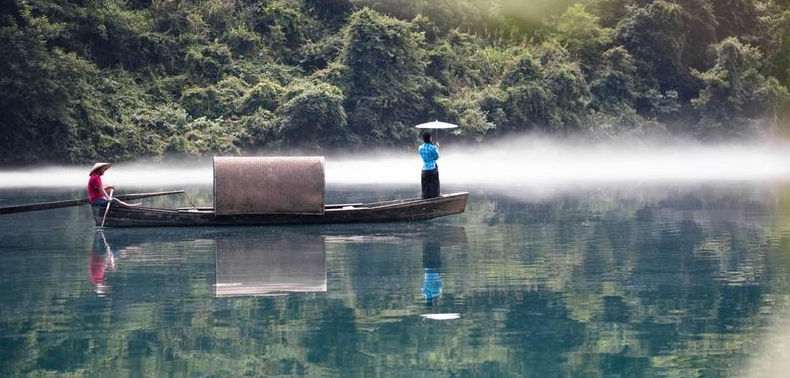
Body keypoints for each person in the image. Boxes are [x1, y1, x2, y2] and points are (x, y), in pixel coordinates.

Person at [418, 131, 440, 199]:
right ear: (430, 138)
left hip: (424, 169)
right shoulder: (432, 147)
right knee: (434, 186)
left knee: (425, 187)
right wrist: (437, 148)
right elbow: (436, 157)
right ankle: (435, 198)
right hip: (432, 168)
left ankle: (425, 198)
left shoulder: (420, 148)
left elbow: (422, 157)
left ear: (423, 139)